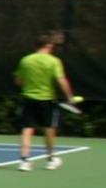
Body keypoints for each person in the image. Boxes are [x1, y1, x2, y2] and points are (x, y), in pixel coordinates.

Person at [12, 30, 80, 170]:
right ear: (48, 45)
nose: (54, 46)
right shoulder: (54, 61)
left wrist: (30, 85)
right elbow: (61, 81)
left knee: (27, 128)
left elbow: (18, 81)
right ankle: (51, 159)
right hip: (47, 100)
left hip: (28, 99)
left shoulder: (25, 60)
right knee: (49, 129)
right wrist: (70, 97)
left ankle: (24, 161)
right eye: (52, 44)